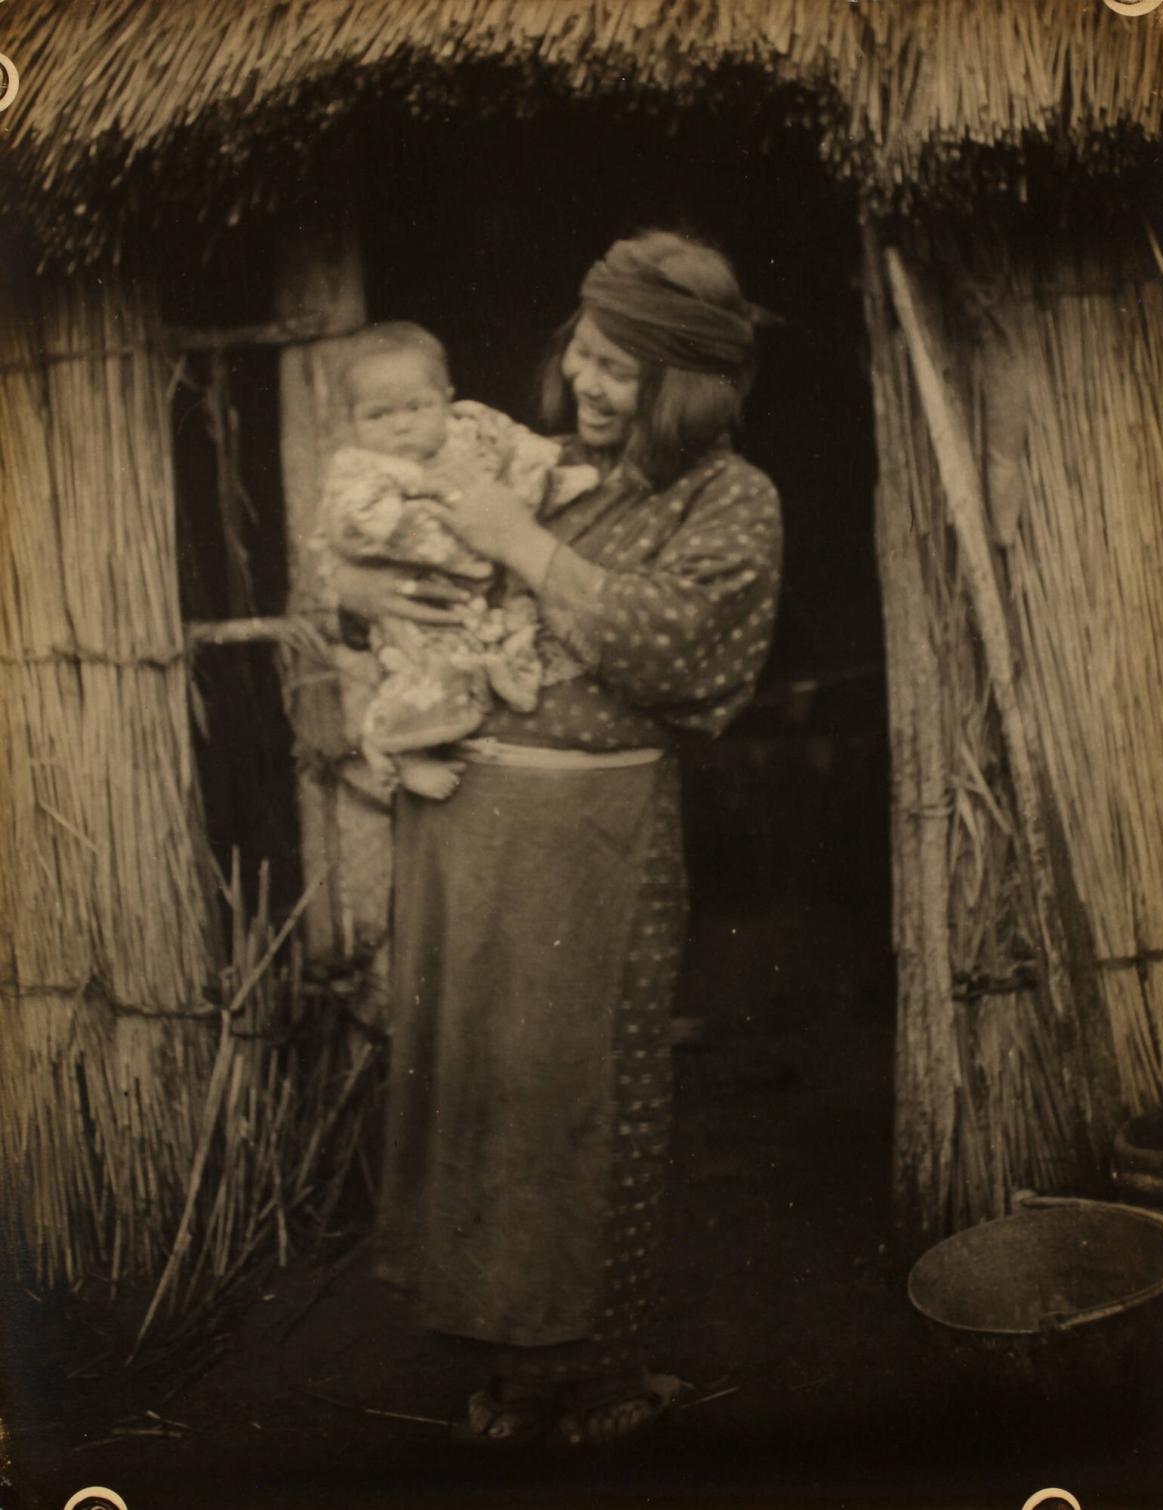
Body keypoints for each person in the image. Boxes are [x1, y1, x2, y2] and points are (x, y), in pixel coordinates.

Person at [327, 230, 783, 1446]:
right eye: (584, 355)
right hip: (461, 824)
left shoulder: (730, 499)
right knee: (483, 1096)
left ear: (685, 385)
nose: (590, 385)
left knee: (584, 1103)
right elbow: (378, 555)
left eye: (623, 372)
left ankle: (598, 1376)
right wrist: (357, 593)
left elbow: (680, 650)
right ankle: (514, 1373)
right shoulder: (522, 458)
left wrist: (514, 542)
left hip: (595, 839)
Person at [312, 322, 596, 801]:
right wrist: (454, 540)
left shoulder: (471, 432)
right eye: (378, 416)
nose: (401, 426)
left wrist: (541, 477)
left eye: (418, 408)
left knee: (511, 624)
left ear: (447, 398)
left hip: (476, 590)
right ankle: (403, 750)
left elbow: (516, 448)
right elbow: (359, 526)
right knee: (423, 672)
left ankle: (503, 668)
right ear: (353, 422)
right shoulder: (362, 469)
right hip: (419, 590)